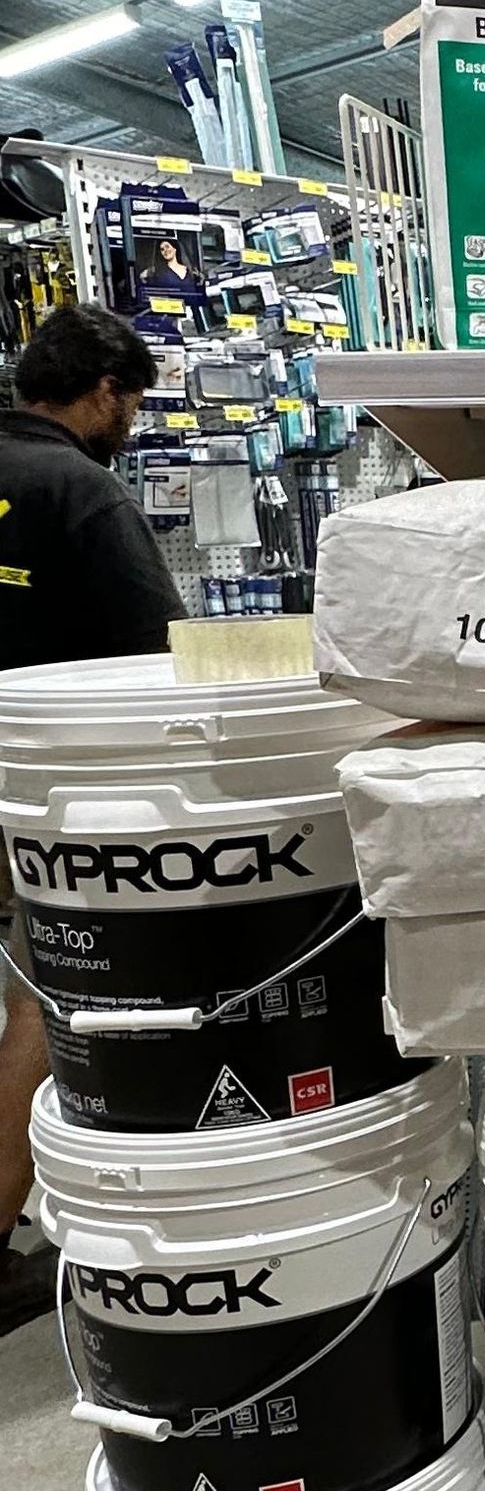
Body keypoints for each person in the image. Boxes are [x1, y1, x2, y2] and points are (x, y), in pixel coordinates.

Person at [0, 305, 181, 1329]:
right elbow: (166, 656)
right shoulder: (81, 489)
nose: (131, 422)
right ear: (103, 391)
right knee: (43, 1002)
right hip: (42, 792)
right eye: (134, 402)